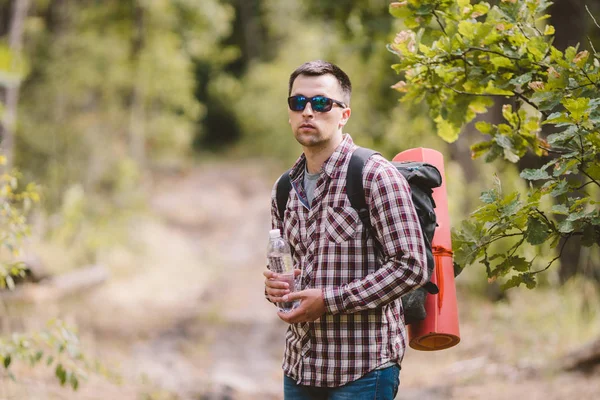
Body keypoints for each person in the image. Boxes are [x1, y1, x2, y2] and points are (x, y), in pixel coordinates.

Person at [263, 60, 428, 399]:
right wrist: (278, 288)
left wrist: (329, 301)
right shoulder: (284, 188)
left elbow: (412, 267)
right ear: (290, 112)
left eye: (321, 103)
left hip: (363, 369)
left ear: (344, 114)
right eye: (298, 103)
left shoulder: (374, 176)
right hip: (300, 366)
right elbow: (301, 270)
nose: (308, 111)